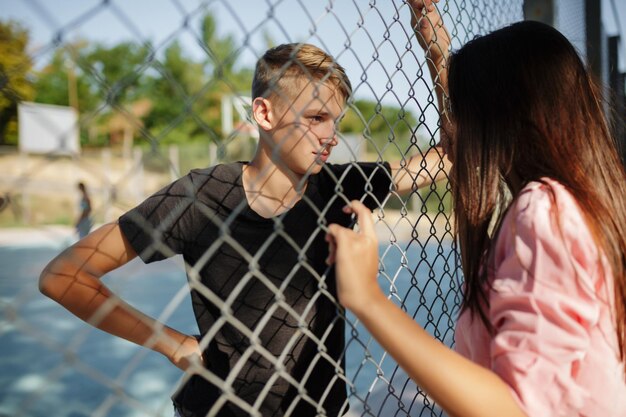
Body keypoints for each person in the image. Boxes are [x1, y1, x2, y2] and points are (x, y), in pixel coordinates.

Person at [39, 41, 450, 417]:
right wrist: (172, 344)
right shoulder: (202, 198)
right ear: (264, 113)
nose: (330, 135)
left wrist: (434, 42)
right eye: (316, 117)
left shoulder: (337, 186)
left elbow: (445, 158)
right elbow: (63, 276)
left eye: (335, 120)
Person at [326, 1, 626, 416]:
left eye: (463, 112)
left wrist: (367, 297)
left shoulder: (544, 211)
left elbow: (513, 408)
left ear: (499, 119)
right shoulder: (587, 200)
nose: (451, 129)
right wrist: (434, 41)